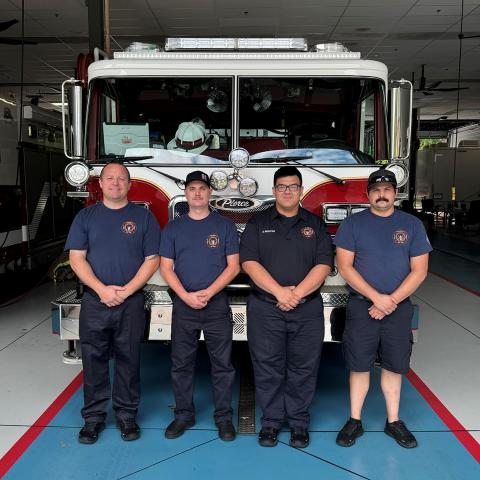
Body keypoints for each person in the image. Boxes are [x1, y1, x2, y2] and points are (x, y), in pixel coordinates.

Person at [334, 168, 432, 449]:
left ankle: (393, 421)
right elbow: (345, 266)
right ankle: (355, 420)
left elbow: (420, 271)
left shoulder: (412, 225)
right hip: (362, 306)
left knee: (394, 364)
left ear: (395, 193)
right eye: (376, 191)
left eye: (387, 190)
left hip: (397, 308)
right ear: (367, 195)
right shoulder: (352, 225)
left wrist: (389, 302)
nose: (381, 195)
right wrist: (376, 298)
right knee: (358, 364)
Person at [65, 162, 161, 444]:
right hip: (96, 301)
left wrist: (127, 290)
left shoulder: (144, 218)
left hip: (130, 303)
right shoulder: (85, 217)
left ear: (130, 185)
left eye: (121, 179)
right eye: (110, 178)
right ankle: (93, 419)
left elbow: (152, 259)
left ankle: (126, 416)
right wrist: (101, 289)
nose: (115, 183)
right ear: (101, 184)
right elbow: (77, 258)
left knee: (128, 360)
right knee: (93, 361)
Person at [240, 166, 333, 448]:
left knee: (303, 368)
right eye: (282, 187)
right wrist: (280, 292)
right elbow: (249, 263)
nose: (288, 191)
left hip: (306, 309)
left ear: (301, 191)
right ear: (274, 191)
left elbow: (324, 264)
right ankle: (270, 423)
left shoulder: (315, 225)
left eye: (293, 186)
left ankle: (298, 423)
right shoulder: (257, 223)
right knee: (268, 367)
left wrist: (296, 294)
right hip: (266, 307)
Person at [159, 170, 240, 441]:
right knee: (181, 364)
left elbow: (233, 267)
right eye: (192, 188)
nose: (197, 193)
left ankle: (223, 418)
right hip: (184, 305)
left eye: (202, 189)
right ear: (186, 193)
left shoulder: (225, 226)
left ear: (210, 193)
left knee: (223, 364)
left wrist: (208, 292)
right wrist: (185, 295)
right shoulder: (173, 228)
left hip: (215, 304)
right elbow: (166, 268)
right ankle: (183, 415)